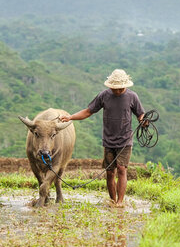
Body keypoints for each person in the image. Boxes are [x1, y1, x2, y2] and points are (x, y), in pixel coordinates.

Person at [60, 69, 145, 207]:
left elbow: (140, 114)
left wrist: (144, 120)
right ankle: (112, 200)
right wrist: (70, 117)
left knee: (122, 168)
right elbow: (88, 111)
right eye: (114, 88)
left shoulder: (132, 97)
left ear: (125, 86)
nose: (117, 91)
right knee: (110, 172)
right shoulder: (104, 96)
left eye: (119, 88)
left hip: (125, 140)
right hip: (109, 140)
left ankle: (120, 202)